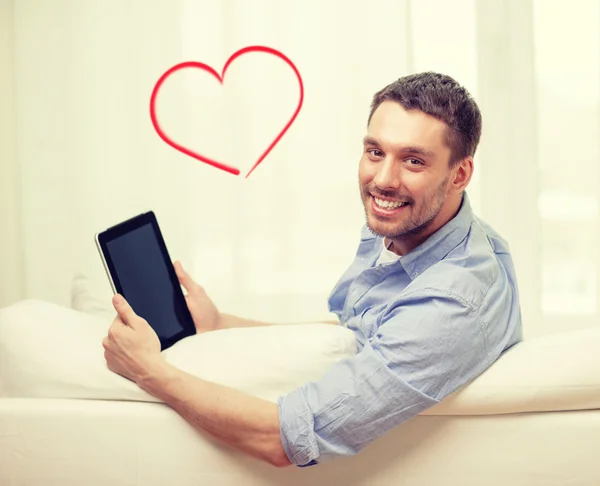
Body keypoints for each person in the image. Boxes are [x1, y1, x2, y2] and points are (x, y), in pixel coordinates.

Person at [102, 72, 523, 468]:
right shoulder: (424, 227)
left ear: (460, 174)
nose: (383, 180)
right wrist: (220, 323)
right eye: (375, 152)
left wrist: (146, 369)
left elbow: (283, 438)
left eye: (413, 161)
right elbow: (358, 330)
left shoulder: (450, 305)